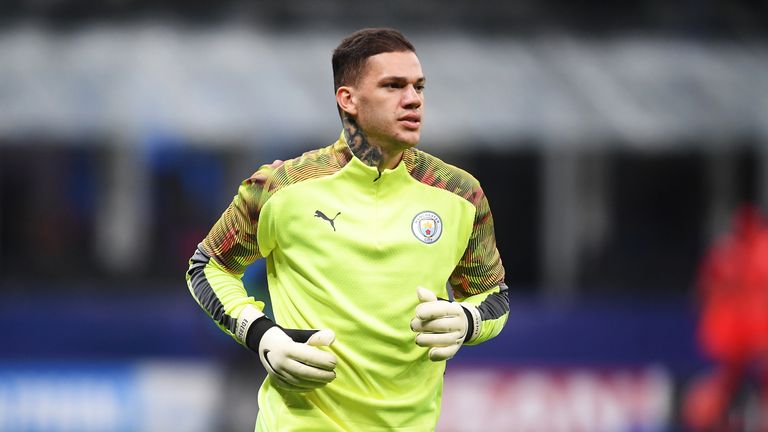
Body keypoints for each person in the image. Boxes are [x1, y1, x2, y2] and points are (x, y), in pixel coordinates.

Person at [186, 28, 509, 431]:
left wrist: (467, 320)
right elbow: (207, 267)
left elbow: (493, 297)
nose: (413, 99)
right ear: (348, 99)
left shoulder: (460, 195)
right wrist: (262, 335)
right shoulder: (281, 187)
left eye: (419, 87)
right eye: (393, 86)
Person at [683, 204, 768, 431]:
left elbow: (700, 294)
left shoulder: (756, 249)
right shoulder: (725, 253)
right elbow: (701, 293)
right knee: (723, 388)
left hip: (753, 335)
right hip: (730, 337)